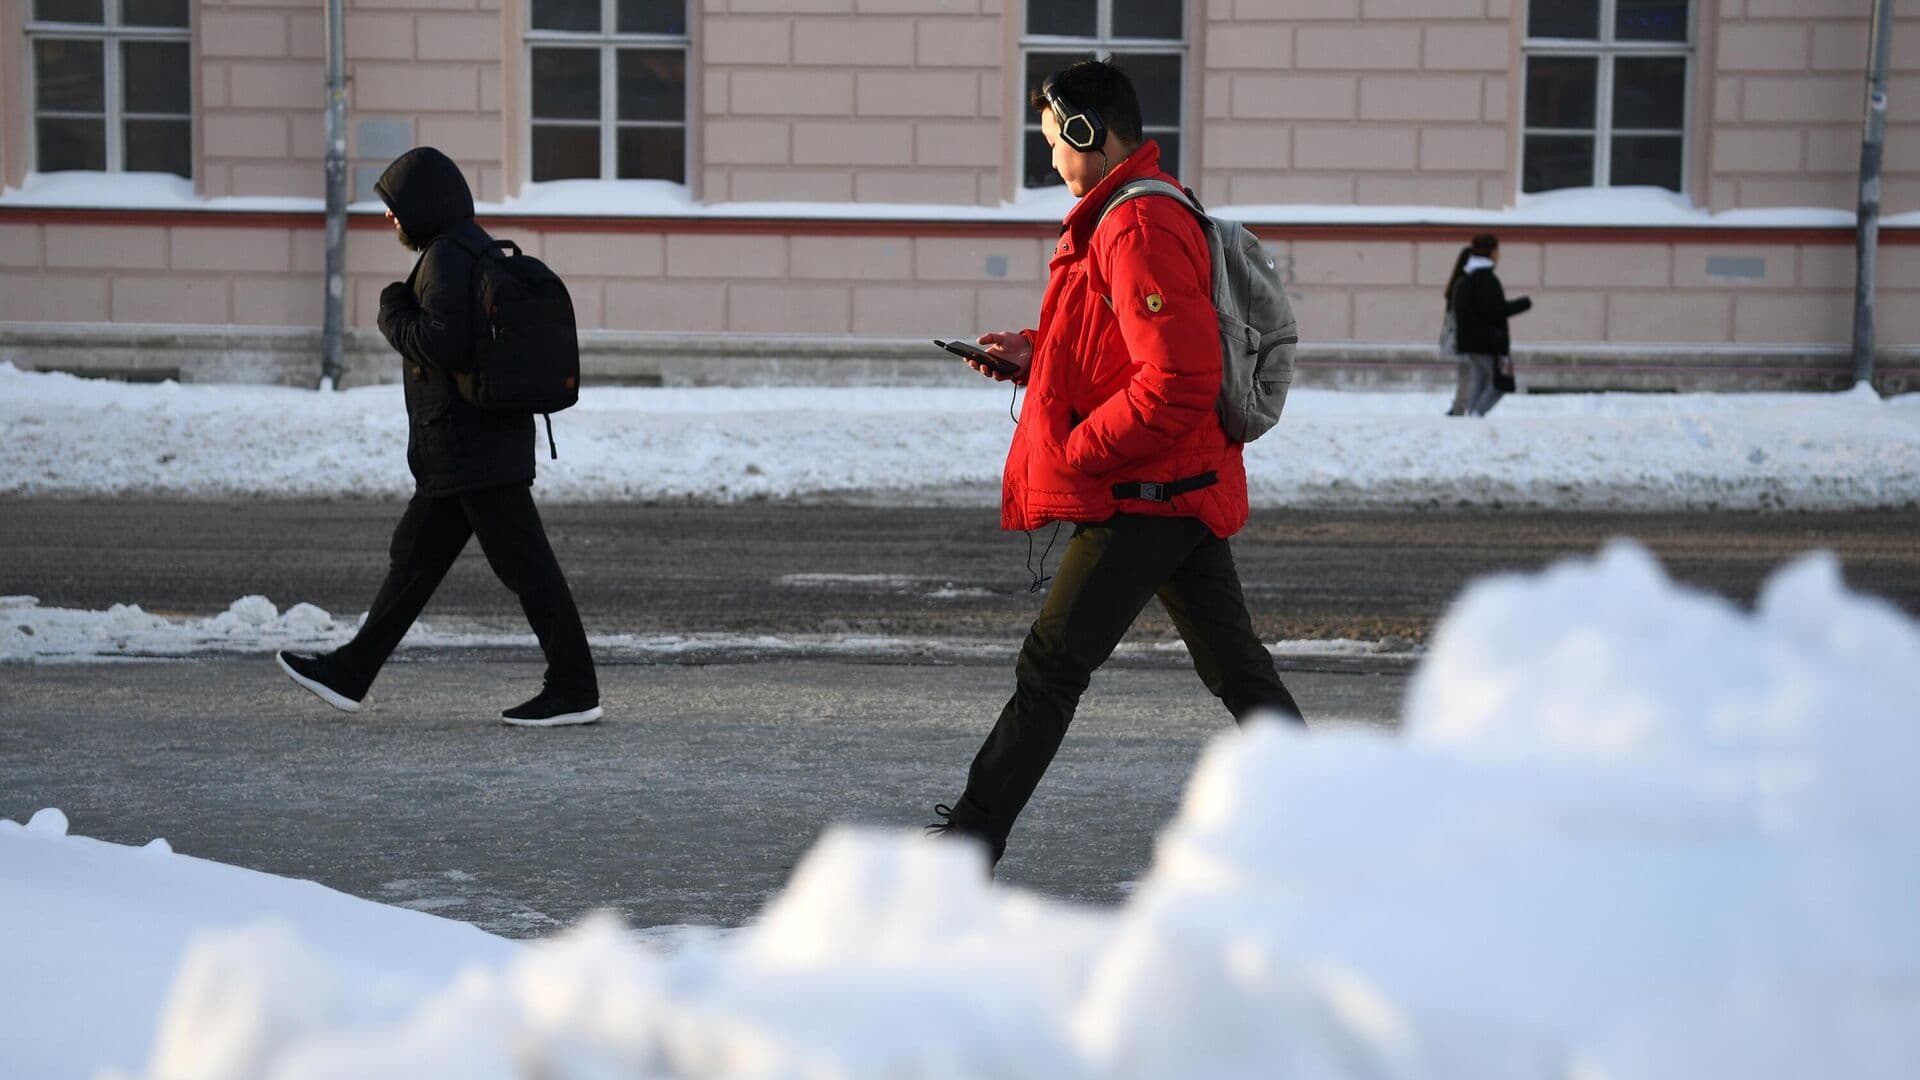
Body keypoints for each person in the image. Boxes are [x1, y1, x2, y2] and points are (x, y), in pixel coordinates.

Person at [928, 60, 1305, 868]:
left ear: (1087, 134)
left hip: (1147, 493)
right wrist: (1036, 359)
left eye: (1055, 145)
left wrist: (1079, 448)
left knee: (1052, 666)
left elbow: (1181, 377)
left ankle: (964, 849)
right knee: (1238, 672)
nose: (1053, 164)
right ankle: (1341, 821)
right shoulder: (1124, 219)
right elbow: (1125, 350)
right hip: (1176, 487)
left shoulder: (1136, 226)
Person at [275, 146, 601, 728]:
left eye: (395, 208)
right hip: (467, 447)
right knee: (414, 562)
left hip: (469, 448)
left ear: (423, 206)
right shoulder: (467, 246)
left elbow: (442, 343)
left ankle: (574, 687)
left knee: (526, 567)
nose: (389, 219)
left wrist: (391, 312)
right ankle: (351, 673)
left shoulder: (447, 257)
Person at [1447, 233, 1531, 417]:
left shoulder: (1466, 279)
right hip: (1489, 342)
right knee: (1500, 383)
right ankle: (1476, 414)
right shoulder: (1487, 280)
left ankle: (1472, 415)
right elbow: (1493, 310)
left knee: (1480, 380)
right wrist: (1522, 304)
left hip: (1470, 343)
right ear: (1492, 252)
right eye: (1497, 251)